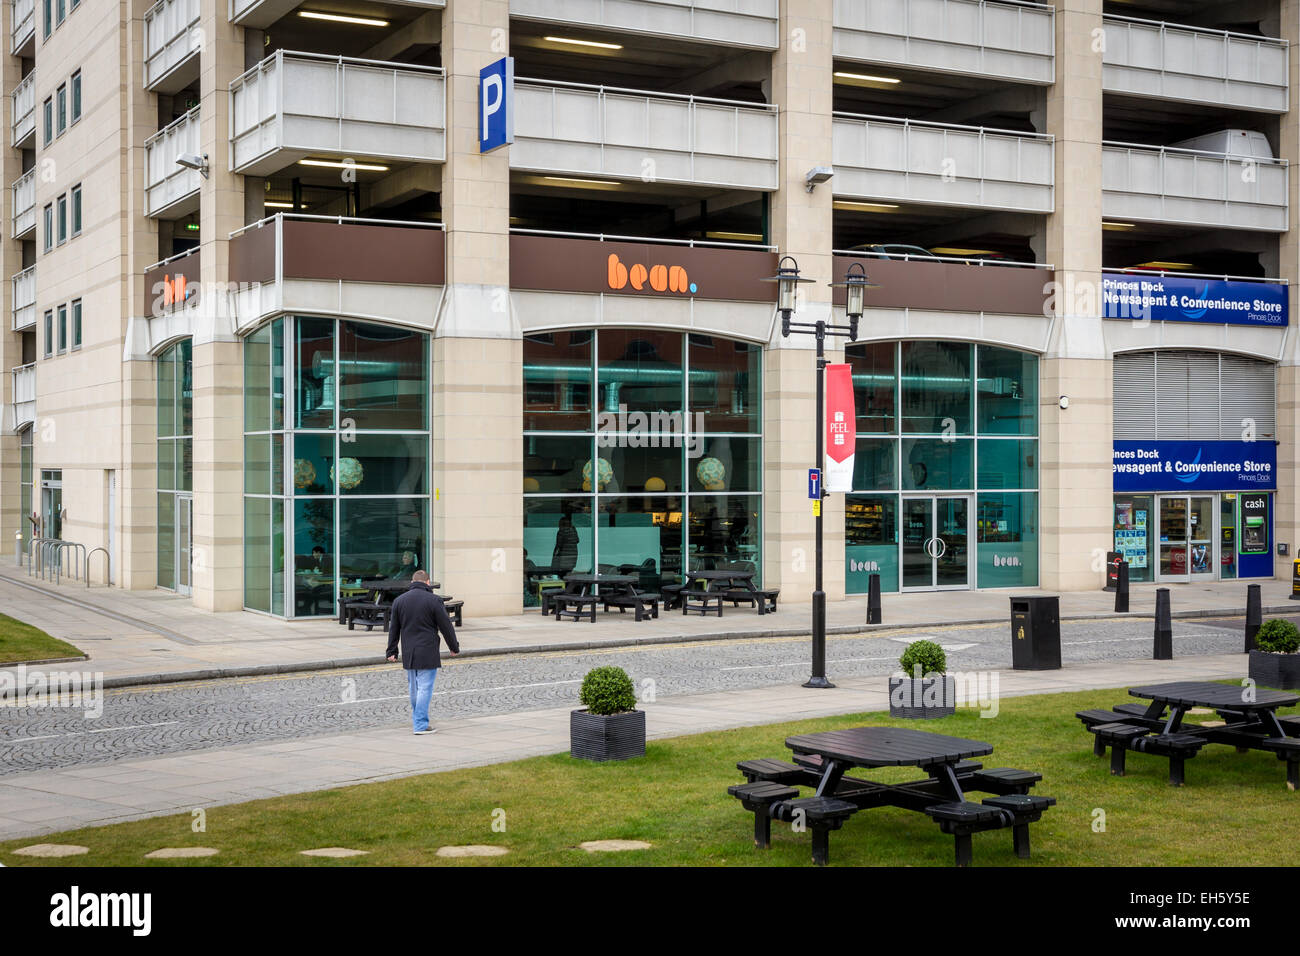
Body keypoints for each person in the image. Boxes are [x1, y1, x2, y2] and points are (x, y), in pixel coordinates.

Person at [386, 570, 459, 735]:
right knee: (425, 688)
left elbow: (394, 629)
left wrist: (391, 651)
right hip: (427, 649)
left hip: (409, 651)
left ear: (412, 582)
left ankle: (418, 720)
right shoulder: (434, 600)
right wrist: (453, 647)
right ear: (428, 583)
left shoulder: (399, 601)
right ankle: (419, 724)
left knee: (414, 688)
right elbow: (445, 626)